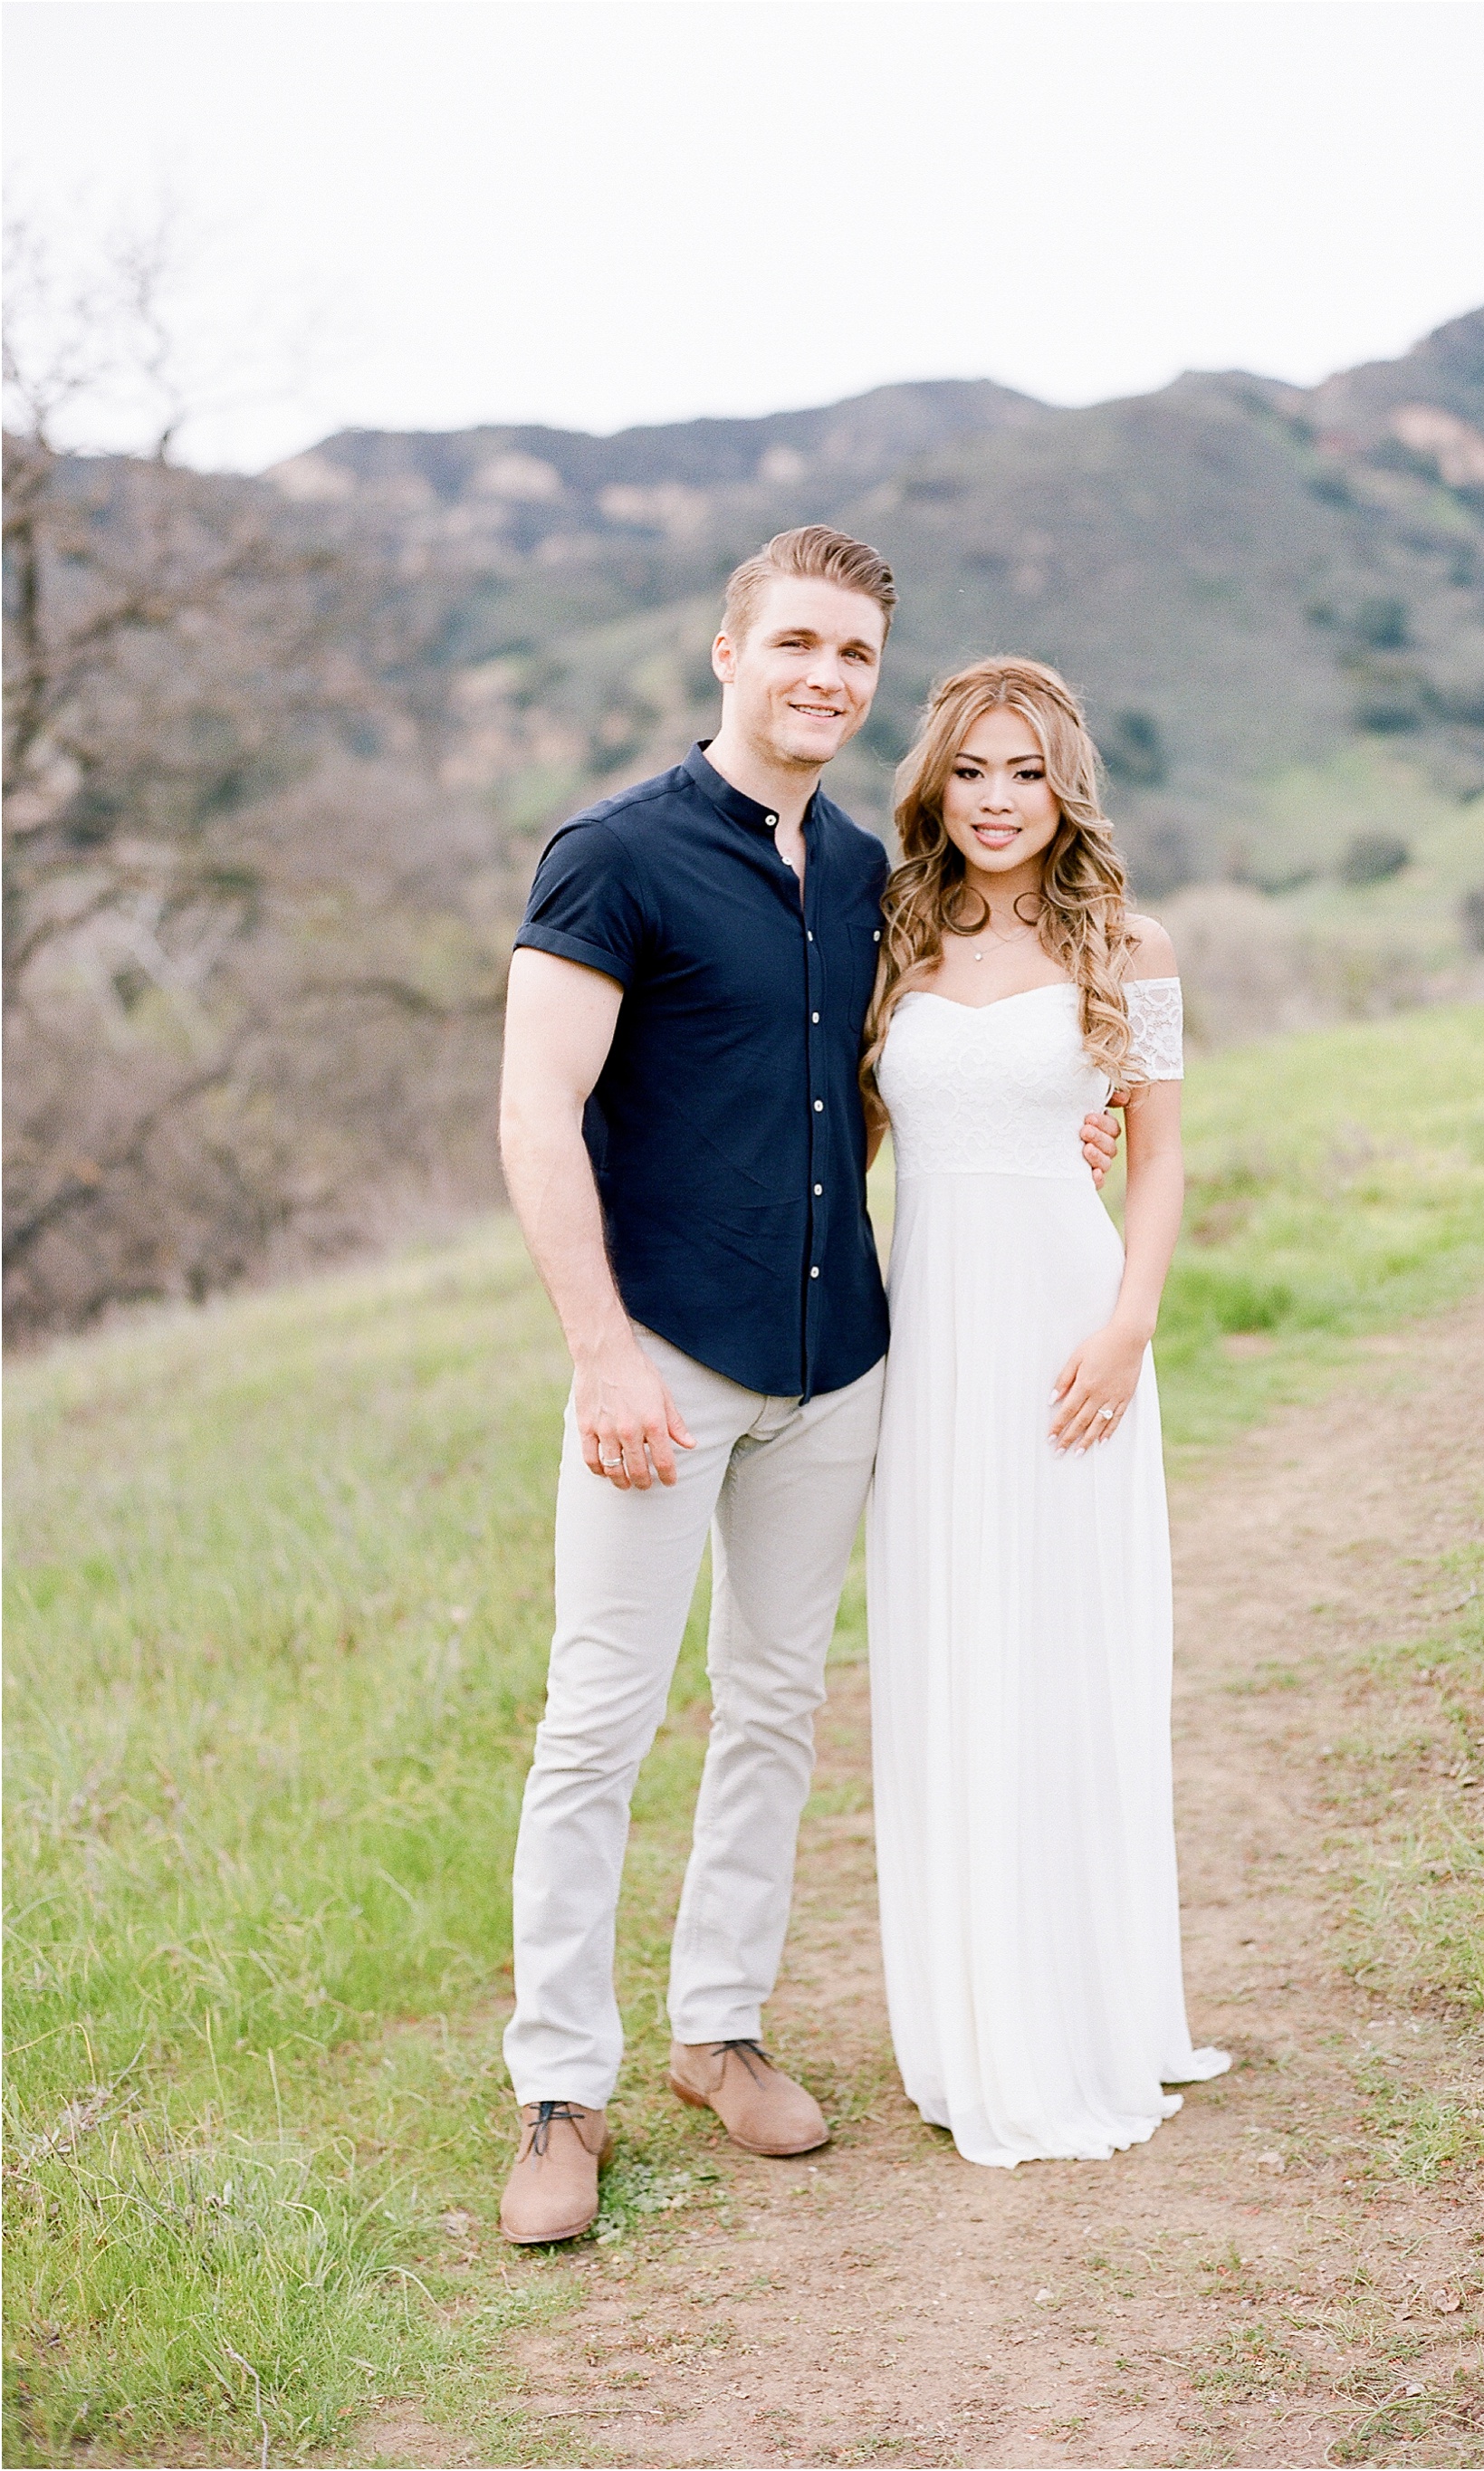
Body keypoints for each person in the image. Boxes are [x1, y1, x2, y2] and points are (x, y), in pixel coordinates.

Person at [493, 532, 1117, 2242]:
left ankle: (721, 2028)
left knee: (774, 1705)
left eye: (854, 654)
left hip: (839, 1372)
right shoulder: (613, 855)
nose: (825, 677)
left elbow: (907, 1073)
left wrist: (1061, 1118)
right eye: (796, 644)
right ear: (727, 651)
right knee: (601, 1717)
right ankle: (560, 2084)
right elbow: (536, 1110)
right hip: (665, 1364)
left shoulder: (867, 877)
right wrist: (601, 1350)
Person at [865, 656, 1230, 2169]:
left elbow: (1154, 1159)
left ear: (1062, 781)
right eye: (973, 771)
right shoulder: (892, 933)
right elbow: (864, 1118)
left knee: (1068, 1657)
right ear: (936, 785)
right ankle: (974, 2018)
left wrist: (1129, 1325)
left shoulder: (1125, 941)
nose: (1000, 799)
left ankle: (1086, 2009)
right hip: (930, 1344)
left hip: (1072, 1331)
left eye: (1026, 771)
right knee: (956, 1654)